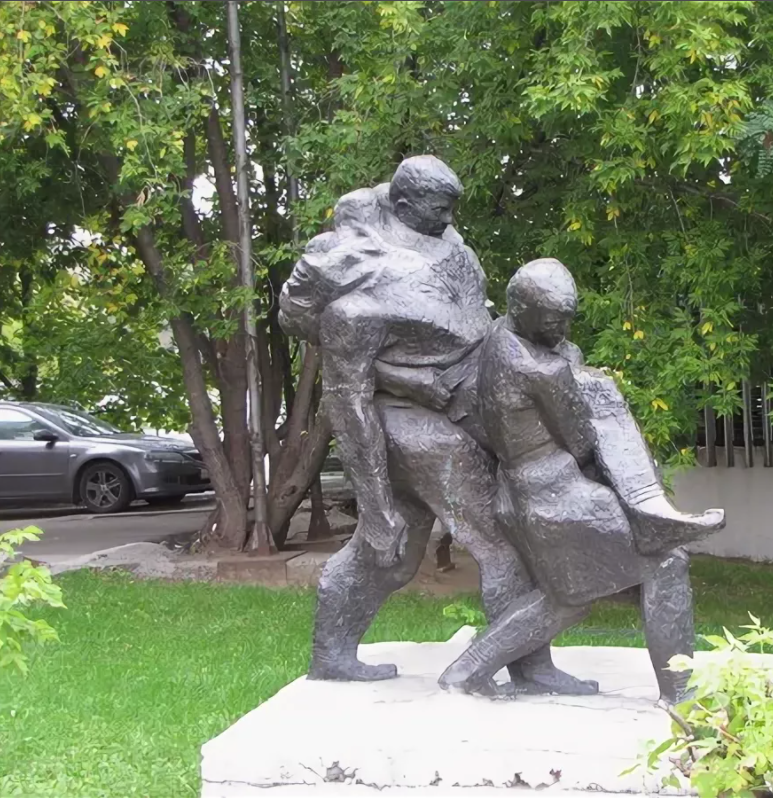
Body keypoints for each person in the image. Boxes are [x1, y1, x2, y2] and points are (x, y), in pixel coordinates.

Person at [280, 157, 593, 695]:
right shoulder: (355, 302)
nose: (450, 217)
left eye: (453, 208)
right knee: (503, 540)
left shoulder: (449, 245)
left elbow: (476, 326)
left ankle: (331, 655)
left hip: (463, 400)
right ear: (402, 208)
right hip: (410, 425)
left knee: (395, 558)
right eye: (439, 208)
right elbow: (349, 404)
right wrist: (374, 505)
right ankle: (525, 666)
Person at [438, 258, 724, 703]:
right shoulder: (542, 370)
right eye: (554, 321)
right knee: (666, 565)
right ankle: (681, 693)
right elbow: (582, 439)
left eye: (568, 318)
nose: (564, 330)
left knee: (565, 599)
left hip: (522, 493)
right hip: (557, 495)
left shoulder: (498, 335)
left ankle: (466, 673)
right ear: (523, 310)